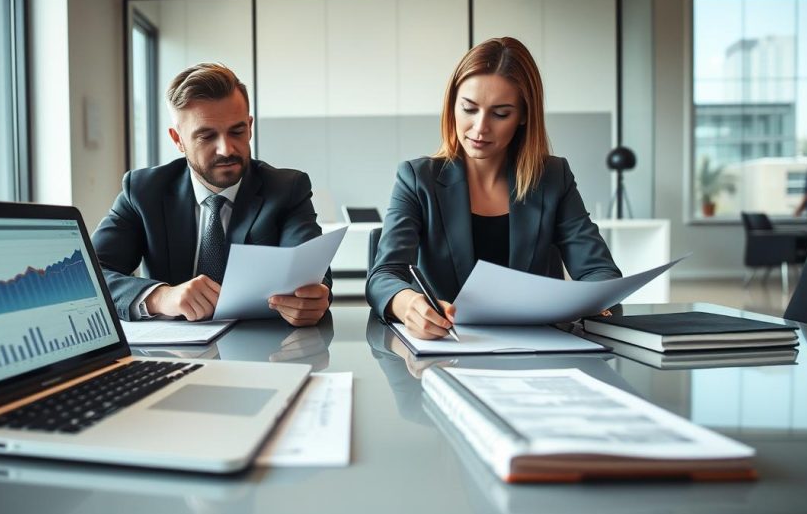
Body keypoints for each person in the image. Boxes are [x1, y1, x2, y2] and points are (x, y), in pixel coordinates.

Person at [366, 37, 621, 339]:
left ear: (524, 116)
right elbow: (384, 275)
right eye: (469, 109)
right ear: (452, 106)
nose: (480, 128)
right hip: (447, 349)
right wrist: (408, 304)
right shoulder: (417, 178)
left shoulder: (553, 177)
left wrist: (592, 302)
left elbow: (599, 272)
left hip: (536, 352)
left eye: (500, 114)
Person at [93, 63, 331, 327]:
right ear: (178, 140)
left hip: (264, 350)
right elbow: (91, 275)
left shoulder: (287, 188)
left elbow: (311, 272)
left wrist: (313, 298)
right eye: (206, 136)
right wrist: (161, 297)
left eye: (237, 131)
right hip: (173, 353)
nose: (226, 149)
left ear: (250, 127)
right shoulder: (143, 190)